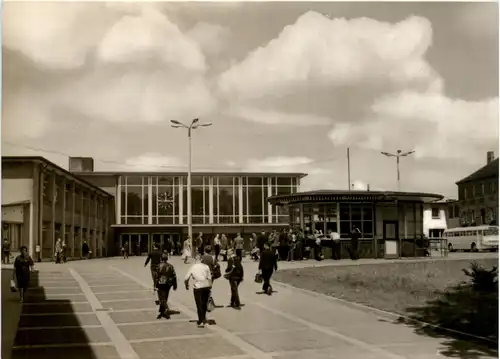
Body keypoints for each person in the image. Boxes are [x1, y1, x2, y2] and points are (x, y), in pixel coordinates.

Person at [184, 259, 212, 328]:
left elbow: (186, 278)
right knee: (204, 303)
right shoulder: (206, 266)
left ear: (195, 261)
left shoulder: (193, 267)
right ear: (202, 260)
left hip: (198, 286)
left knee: (199, 304)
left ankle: (200, 321)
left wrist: (186, 285)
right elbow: (209, 277)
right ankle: (203, 318)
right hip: (206, 285)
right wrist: (210, 286)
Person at [155, 252, 177, 319]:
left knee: (161, 297)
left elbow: (156, 276)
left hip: (160, 283)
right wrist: (174, 285)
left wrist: (155, 284)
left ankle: (166, 309)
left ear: (161, 258)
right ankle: (162, 310)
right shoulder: (170, 266)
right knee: (165, 296)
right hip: (168, 283)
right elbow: (174, 276)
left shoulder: (158, 266)